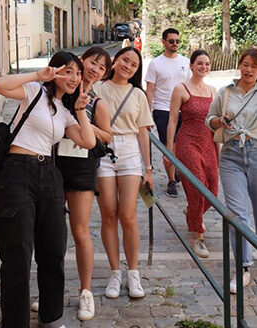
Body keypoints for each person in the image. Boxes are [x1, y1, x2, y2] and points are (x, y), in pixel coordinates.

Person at [0, 51, 96, 328]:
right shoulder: (34, 91)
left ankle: (51, 317)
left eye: (78, 73)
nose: (74, 78)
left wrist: (80, 110)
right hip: (17, 171)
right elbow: (0, 85)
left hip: (50, 174)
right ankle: (15, 323)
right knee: (18, 253)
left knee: (53, 250)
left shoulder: (65, 112)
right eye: (69, 71)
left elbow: (87, 141)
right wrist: (39, 75)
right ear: (55, 70)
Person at [206, 48, 257, 294]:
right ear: (239, 65)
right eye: (245, 64)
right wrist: (218, 122)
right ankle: (242, 266)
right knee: (237, 213)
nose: (249, 69)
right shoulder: (226, 92)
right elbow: (209, 118)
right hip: (230, 154)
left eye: (254, 65)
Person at [40, 47, 111, 321]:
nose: (95, 69)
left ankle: (86, 292)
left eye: (101, 67)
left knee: (80, 231)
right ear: (82, 61)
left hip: (81, 168)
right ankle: (49, 293)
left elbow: (107, 136)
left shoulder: (97, 101)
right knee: (50, 231)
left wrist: (83, 123)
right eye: (92, 62)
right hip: (53, 165)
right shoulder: (59, 89)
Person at [93, 47, 153, 299]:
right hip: (103, 150)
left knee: (127, 214)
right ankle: (115, 272)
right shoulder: (97, 88)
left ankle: (134, 272)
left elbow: (143, 132)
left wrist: (148, 168)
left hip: (128, 151)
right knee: (108, 213)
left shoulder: (138, 94)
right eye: (125, 60)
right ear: (115, 61)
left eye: (134, 64)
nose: (128, 66)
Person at [167, 50, 218, 258]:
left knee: (213, 191)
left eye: (206, 64)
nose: (203, 67)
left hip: (208, 142)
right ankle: (198, 235)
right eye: (199, 63)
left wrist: (218, 150)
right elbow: (171, 120)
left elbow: (216, 124)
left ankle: (192, 213)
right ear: (191, 65)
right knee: (197, 188)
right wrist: (169, 148)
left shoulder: (213, 91)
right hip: (187, 141)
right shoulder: (181, 89)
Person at [145, 27, 190, 197]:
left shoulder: (185, 62)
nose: (175, 44)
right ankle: (171, 180)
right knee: (168, 145)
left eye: (177, 41)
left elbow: (190, 85)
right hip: (162, 109)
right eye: (171, 41)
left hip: (183, 110)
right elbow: (150, 90)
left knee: (180, 145)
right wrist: (146, 114)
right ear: (163, 42)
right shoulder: (155, 63)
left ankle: (175, 167)